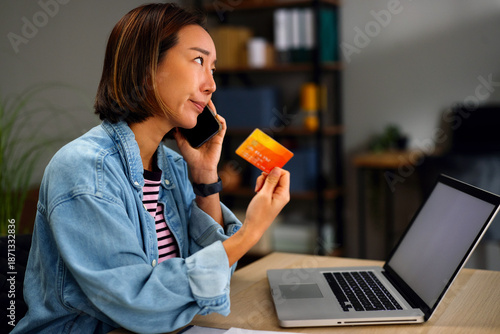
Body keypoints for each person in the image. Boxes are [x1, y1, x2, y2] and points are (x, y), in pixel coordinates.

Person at [12, 3, 290, 334]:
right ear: (147, 67)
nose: (211, 84)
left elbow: (212, 284)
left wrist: (205, 180)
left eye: (213, 68)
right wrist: (250, 233)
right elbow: (141, 303)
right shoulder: (83, 171)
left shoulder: (172, 165)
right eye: (199, 61)